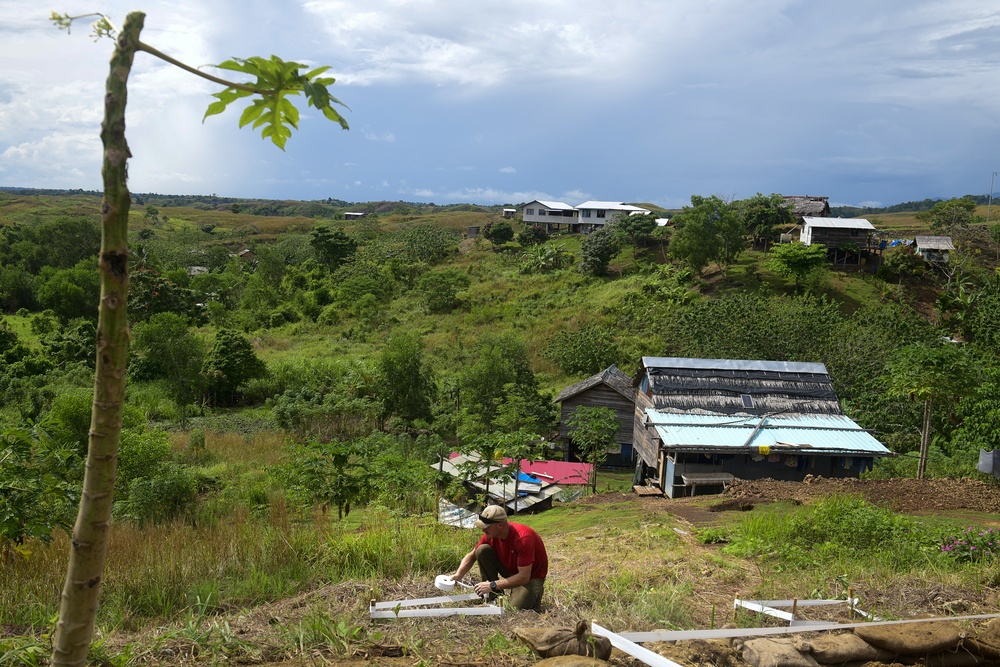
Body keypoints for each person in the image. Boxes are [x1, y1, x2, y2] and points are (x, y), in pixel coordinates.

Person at [449, 505, 548, 610]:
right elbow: (472, 555)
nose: (483, 530)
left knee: (515, 609)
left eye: (486, 527)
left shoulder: (523, 538)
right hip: (511, 570)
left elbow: (524, 577)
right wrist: (458, 575)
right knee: (482, 550)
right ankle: (493, 596)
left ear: (500, 525)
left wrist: (492, 585)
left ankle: (531, 593)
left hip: (530, 578)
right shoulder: (491, 534)